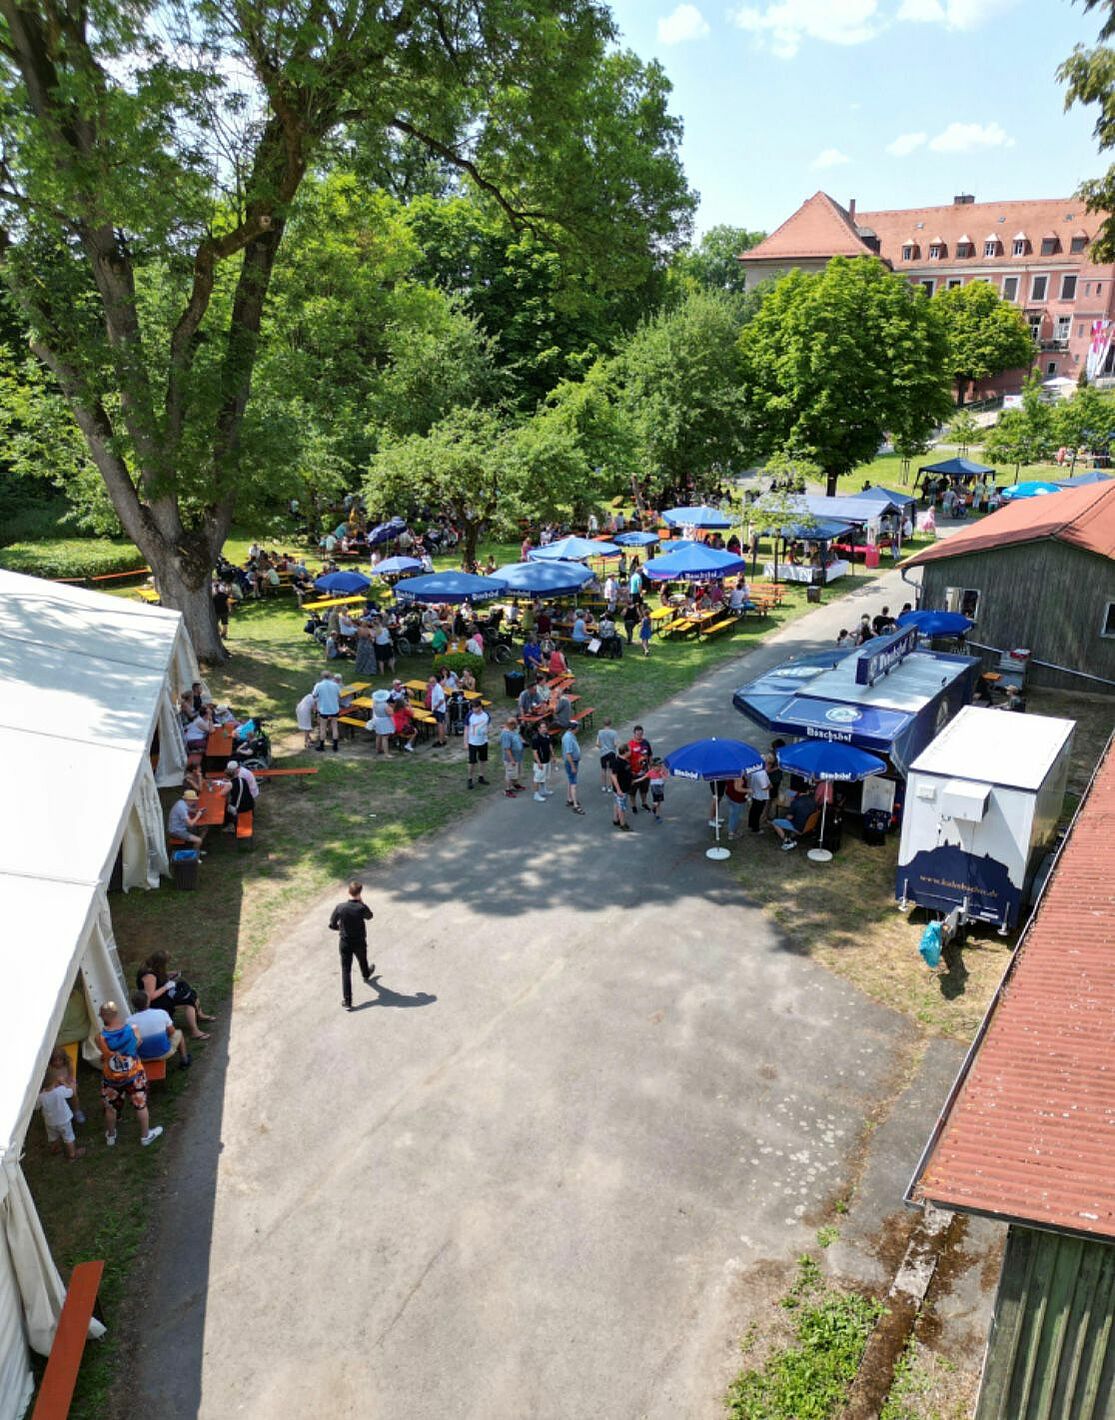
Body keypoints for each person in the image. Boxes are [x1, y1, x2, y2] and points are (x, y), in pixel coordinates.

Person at [95, 1002, 164, 1148]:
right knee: (140, 1105)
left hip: (111, 1078)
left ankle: (111, 1135)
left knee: (110, 1108)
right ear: (117, 1014)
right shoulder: (133, 1029)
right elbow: (138, 1042)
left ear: (103, 1016)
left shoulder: (100, 1037)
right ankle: (145, 1136)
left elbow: (104, 1054)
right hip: (134, 1074)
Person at [136, 951, 214, 1040]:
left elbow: (157, 979)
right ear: (159, 963)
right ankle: (195, 1031)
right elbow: (150, 996)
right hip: (156, 1002)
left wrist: (168, 975)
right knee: (188, 1002)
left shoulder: (150, 967)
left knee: (191, 993)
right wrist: (165, 987)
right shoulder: (149, 975)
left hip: (162, 995)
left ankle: (199, 1014)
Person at [329, 880, 375, 1010]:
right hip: (359, 941)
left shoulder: (340, 907)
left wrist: (341, 929)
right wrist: (362, 903)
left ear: (348, 891)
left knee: (346, 970)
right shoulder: (361, 907)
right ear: (360, 893)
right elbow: (370, 916)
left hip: (345, 943)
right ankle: (366, 974)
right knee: (362, 959)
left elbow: (332, 925)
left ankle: (348, 1000)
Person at [127, 990, 191, 1068]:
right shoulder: (161, 1013)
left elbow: (131, 1041)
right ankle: (184, 1060)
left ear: (134, 1005)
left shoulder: (129, 1021)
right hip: (164, 1053)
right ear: (148, 1001)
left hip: (142, 1057)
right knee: (178, 1033)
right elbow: (172, 1032)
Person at [36, 1064, 85, 1161]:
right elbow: (71, 1092)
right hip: (64, 1120)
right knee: (68, 1137)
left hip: (50, 1122)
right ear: (55, 1080)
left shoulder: (40, 1096)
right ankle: (72, 1155)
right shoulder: (60, 1091)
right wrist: (65, 1083)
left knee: (53, 1137)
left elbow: (36, 1107)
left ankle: (56, 1149)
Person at [313, 671, 342, 752]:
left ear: (322, 677)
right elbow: (340, 695)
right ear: (330, 677)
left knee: (323, 728)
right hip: (334, 708)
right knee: (335, 727)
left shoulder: (318, 685)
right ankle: (335, 747)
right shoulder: (335, 685)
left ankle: (322, 746)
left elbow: (314, 695)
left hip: (324, 709)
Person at [465, 702, 491, 789]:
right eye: (472, 708)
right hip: (472, 742)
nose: (473, 710)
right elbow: (466, 729)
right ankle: (470, 779)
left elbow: (488, 725)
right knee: (472, 762)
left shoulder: (486, 715)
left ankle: (481, 776)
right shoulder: (469, 715)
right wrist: (465, 742)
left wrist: (488, 730)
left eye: (475, 708)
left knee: (483, 760)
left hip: (483, 741)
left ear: (480, 707)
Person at [628, 726, 653, 815]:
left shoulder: (645, 743)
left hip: (645, 772)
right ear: (634, 734)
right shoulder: (630, 745)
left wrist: (651, 767)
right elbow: (626, 759)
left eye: (641, 734)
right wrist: (629, 771)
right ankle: (633, 806)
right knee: (632, 791)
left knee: (644, 790)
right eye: (638, 734)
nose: (640, 736)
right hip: (634, 773)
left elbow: (650, 755)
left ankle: (644, 803)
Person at [610, 743, 634, 831]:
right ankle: (623, 824)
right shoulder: (618, 762)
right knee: (622, 806)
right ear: (625, 752)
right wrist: (619, 790)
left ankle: (615, 820)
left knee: (617, 803)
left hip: (624, 788)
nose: (631, 751)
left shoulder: (625, 760)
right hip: (621, 789)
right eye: (630, 750)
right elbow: (613, 776)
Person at [561, 724, 584, 813]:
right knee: (573, 783)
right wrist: (573, 766)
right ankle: (575, 805)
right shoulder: (568, 738)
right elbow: (568, 753)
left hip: (574, 761)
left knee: (570, 781)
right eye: (577, 727)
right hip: (571, 763)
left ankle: (569, 799)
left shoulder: (571, 735)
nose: (578, 729)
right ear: (573, 729)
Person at [746, 757, 771, 833]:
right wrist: (770, 786)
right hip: (761, 796)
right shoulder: (762, 773)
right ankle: (756, 828)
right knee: (757, 812)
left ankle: (751, 824)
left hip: (755, 794)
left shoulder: (754, 769)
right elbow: (764, 787)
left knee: (753, 811)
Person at [501, 717, 525, 796]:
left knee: (516, 772)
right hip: (511, 759)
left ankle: (515, 784)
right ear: (511, 724)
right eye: (515, 724)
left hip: (518, 757)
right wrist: (512, 760)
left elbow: (518, 736)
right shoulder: (505, 734)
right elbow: (507, 748)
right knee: (510, 774)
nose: (516, 725)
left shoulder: (513, 730)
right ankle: (507, 790)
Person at [531, 718, 553, 802]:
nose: (544, 729)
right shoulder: (536, 738)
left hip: (547, 760)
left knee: (543, 777)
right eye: (542, 727)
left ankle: (543, 790)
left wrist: (553, 756)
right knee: (537, 778)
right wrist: (539, 762)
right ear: (538, 729)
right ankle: (536, 794)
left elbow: (550, 745)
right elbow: (535, 752)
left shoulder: (547, 735)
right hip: (540, 762)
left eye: (545, 727)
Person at [596, 717, 619, 792]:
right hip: (611, 752)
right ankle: (610, 786)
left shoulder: (600, 732)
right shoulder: (614, 732)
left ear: (603, 723)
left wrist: (602, 747)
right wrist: (612, 747)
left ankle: (603, 786)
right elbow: (615, 744)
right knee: (611, 770)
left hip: (603, 753)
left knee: (603, 769)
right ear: (610, 723)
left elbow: (597, 744)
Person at [725, 773, 749, 838]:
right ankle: (732, 833)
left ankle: (731, 831)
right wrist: (749, 790)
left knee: (732, 814)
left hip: (730, 795)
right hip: (737, 799)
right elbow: (738, 788)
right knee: (735, 816)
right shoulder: (739, 774)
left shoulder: (731, 771)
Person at [427, 674, 448, 747]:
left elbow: (441, 700)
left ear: (435, 681)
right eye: (430, 682)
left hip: (439, 710)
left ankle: (441, 741)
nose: (430, 683)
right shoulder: (434, 687)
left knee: (440, 725)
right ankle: (443, 739)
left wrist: (436, 707)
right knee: (441, 724)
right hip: (438, 709)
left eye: (432, 682)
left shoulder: (438, 688)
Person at [647, 757, 667, 823]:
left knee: (659, 803)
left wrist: (661, 775)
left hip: (660, 790)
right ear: (653, 766)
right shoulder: (651, 772)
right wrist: (636, 781)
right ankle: (653, 808)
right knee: (656, 803)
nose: (660, 767)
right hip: (654, 790)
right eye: (658, 766)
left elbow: (665, 779)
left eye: (660, 766)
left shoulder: (662, 771)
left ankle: (657, 816)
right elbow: (644, 777)